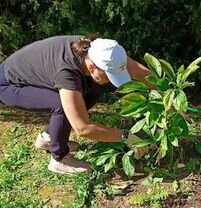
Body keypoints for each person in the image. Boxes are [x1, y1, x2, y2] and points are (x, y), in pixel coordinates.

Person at [0, 34, 153, 175]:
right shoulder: (67, 73)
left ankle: (49, 138)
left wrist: (169, 93)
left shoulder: (104, 52)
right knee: (61, 105)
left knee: (97, 84)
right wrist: (126, 136)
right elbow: (83, 128)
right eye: (109, 74)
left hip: (35, 72)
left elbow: (142, 73)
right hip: (9, 84)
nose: (111, 80)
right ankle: (59, 159)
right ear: (92, 67)